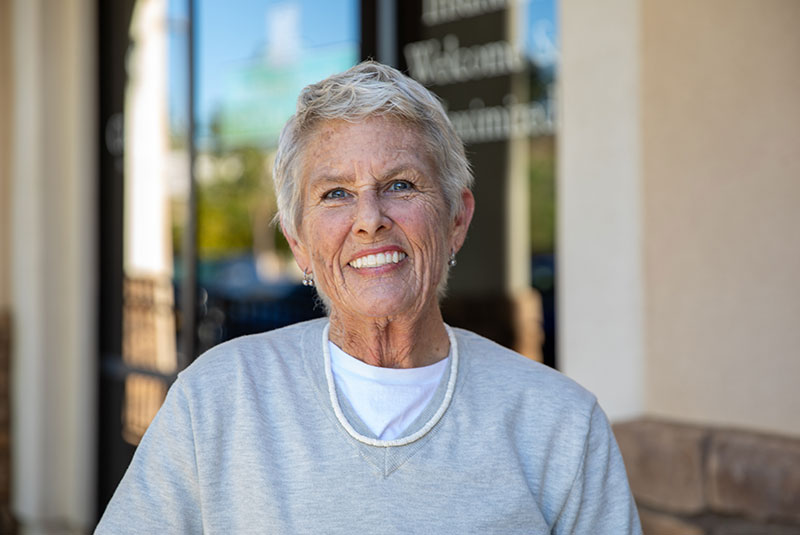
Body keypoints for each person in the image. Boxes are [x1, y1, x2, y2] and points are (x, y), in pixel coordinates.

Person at [97, 61, 642, 534]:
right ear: (299, 243)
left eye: (401, 185)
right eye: (336, 194)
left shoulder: (562, 425)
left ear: (457, 218)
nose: (369, 220)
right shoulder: (215, 401)